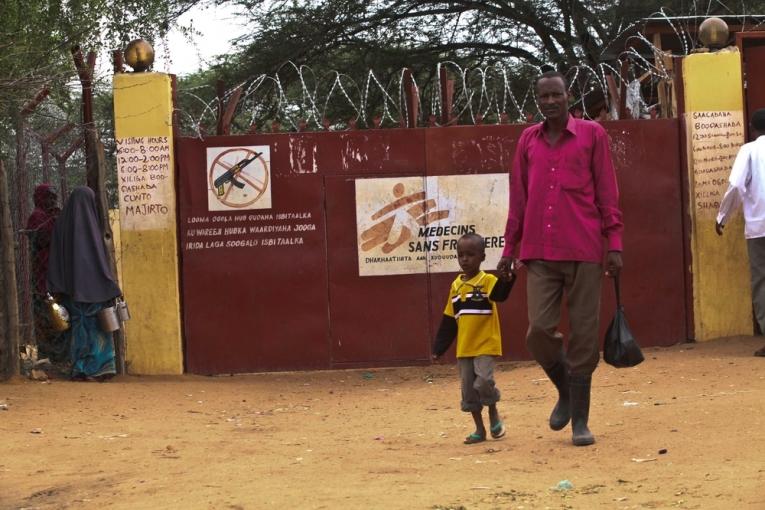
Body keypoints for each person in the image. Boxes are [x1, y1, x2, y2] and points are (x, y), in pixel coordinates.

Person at [497, 71, 623, 446]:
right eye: (544, 96)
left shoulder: (591, 135)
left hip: (584, 249)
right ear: (537, 100)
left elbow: (607, 191)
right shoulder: (527, 140)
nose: (550, 101)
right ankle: (566, 390)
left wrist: (614, 242)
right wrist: (509, 248)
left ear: (569, 96)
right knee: (538, 331)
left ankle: (580, 422)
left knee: (584, 336)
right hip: (538, 251)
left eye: (556, 95)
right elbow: (518, 197)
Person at [432, 233, 516, 444]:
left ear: (482, 257)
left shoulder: (487, 280)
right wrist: (438, 349)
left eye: (470, 254)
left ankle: (493, 410)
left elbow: (500, 295)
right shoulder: (456, 286)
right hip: (465, 348)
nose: (465, 259)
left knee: (484, 382)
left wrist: (508, 279)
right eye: (461, 255)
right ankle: (480, 429)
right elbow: (449, 320)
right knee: (469, 391)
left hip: (486, 343)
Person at [47, 186, 122, 381]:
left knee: (79, 328)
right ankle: (99, 369)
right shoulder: (91, 224)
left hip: (71, 290)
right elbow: (99, 260)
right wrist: (110, 286)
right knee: (97, 328)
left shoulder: (61, 224)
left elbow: (55, 257)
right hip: (95, 290)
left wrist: (58, 285)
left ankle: (80, 368)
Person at [715, 108, 765, 357]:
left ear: (753, 128)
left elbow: (735, 185)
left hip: (759, 228)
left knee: (762, 282)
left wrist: (722, 216)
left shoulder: (749, 151)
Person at [25, 184, 64, 361]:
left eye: (54, 197)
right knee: (45, 317)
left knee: (58, 316)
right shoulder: (37, 216)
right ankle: (49, 355)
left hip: (55, 273)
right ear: (40, 198)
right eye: (49, 197)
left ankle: (59, 355)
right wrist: (53, 219)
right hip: (43, 274)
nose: (52, 201)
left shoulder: (51, 216)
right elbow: (41, 237)